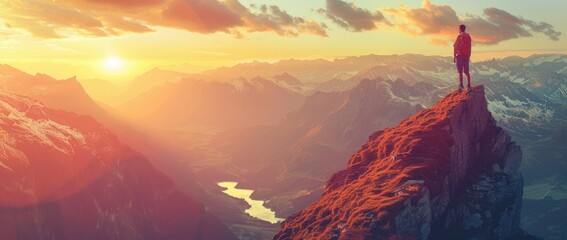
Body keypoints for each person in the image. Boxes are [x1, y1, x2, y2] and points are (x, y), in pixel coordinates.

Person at [453, 24, 472, 91]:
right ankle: (469, 85)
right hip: (466, 55)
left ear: (460, 29)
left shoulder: (459, 36)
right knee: (466, 71)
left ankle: (461, 85)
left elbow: (455, 46)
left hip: (460, 55)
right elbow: (470, 46)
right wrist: (469, 55)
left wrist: (454, 56)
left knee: (460, 71)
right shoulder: (468, 37)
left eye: (459, 29)